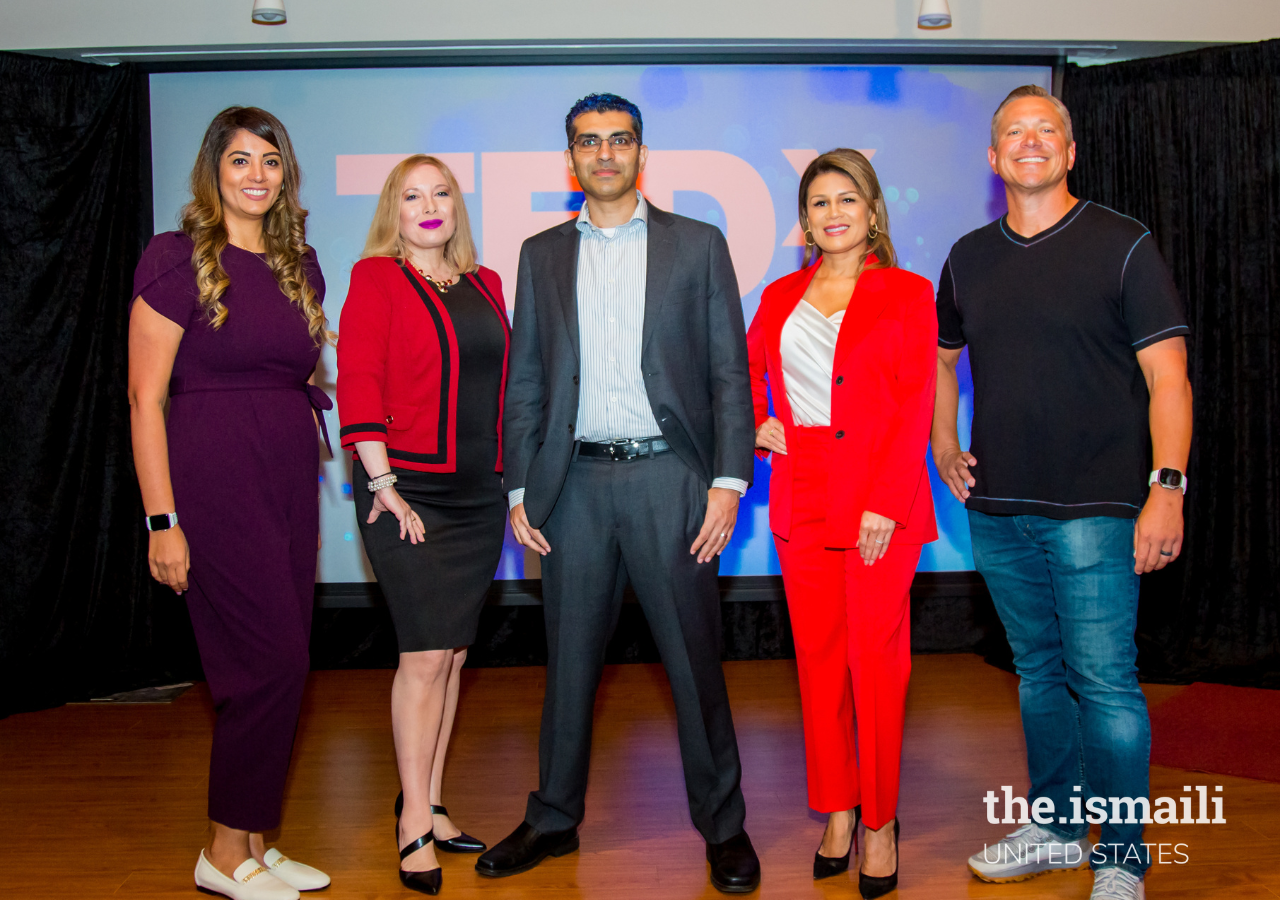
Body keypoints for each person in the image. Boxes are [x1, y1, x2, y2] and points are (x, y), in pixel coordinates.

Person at [479, 93, 761, 893]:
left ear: (642, 153)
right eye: (588, 142)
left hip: (670, 479)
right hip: (571, 489)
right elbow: (526, 379)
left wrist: (727, 482)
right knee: (568, 666)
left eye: (620, 140)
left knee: (693, 662)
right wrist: (520, 488)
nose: (604, 154)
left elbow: (728, 375)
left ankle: (725, 826)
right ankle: (551, 818)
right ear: (569, 161)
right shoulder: (539, 255)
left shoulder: (698, 245)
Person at [932, 85, 1193, 900]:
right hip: (1000, 509)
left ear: (1071, 151)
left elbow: (1171, 379)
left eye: (1048, 130)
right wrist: (943, 439)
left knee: (1105, 681)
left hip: (1098, 509)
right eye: (1015, 131)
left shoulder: (1123, 244)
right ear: (993, 156)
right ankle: (1053, 828)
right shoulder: (968, 256)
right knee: (1039, 674)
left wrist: (1168, 489)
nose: (1031, 141)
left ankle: (1122, 859)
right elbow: (943, 359)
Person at [128, 107, 333, 900]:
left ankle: (253, 838)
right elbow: (145, 399)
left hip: (287, 474)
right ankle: (221, 852)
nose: (256, 175)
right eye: (240, 160)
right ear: (214, 171)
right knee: (266, 662)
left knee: (285, 661)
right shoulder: (176, 258)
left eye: (270, 160)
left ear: (286, 174)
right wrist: (162, 520)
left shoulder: (299, 262)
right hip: (212, 474)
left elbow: (298, 375)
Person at [747, 149, 937, 899]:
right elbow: (752, 372)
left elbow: (915, 399)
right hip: (802, 493)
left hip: (875, 499)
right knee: (819, 664)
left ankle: (882, 821)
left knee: (875, 665)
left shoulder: (907, 292)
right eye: (819, 202)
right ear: (804, 220)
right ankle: (837, 809)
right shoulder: (779, 294)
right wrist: (759, 421)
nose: (833, 214)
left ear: (872, 213)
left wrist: (887, 501)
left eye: (847, 200)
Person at [337, 155, 508, 894]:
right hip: (403, 493)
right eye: (412, 195)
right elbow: (359, 380)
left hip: (480, 493)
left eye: (441, 193)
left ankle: (433, 803)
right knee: (423, 655)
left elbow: (507, 384)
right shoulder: (375, 278)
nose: (428, 205)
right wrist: (383, 481)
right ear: (393, 211)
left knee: (455, 656)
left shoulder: (486, 283)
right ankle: (411, 823)